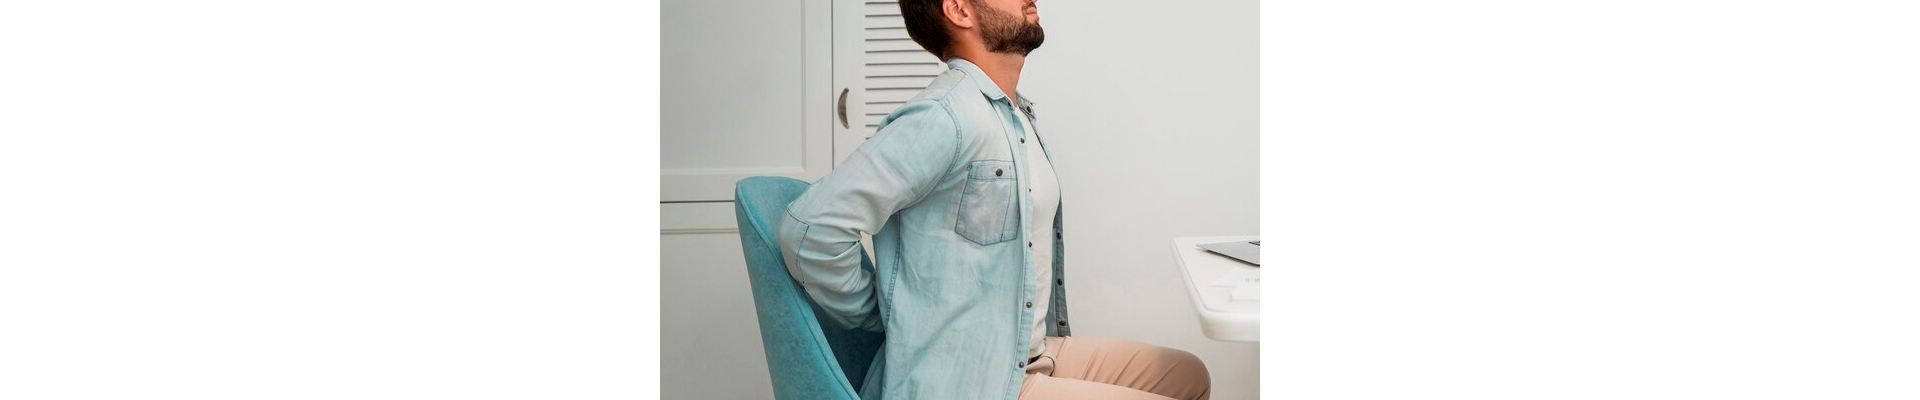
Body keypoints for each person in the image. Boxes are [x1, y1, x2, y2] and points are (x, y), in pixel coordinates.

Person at [777, 0, 1211, 398]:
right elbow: (811, 227)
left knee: (1187, 376)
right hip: (970, 380)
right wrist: (884, 314)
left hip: (1024, 353)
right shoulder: (945, 116)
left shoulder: (1013, 114)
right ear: (958, 10)